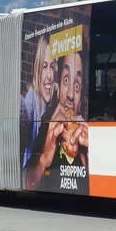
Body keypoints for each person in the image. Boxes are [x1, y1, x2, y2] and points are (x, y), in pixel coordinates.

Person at [25, 51, 89, 191]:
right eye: (66, 80)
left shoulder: (88, 135)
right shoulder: (47, 123)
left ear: (81, 99)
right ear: (58, 88)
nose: (71, 95)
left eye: (77, 85)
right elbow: (28, 182)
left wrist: (88, 156)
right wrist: (43, 160)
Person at [19, 35, 56, 166]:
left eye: (52, 67)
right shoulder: (31, 98)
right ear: (37, 70)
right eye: (44, 67)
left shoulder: (56, 99)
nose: (49, 76)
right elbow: (24, 121)